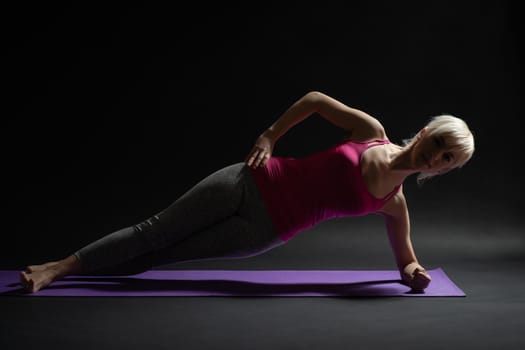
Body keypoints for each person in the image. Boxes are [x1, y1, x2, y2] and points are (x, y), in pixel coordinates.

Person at [20, 91, 475, 293]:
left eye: (447, 161)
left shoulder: (394, 205)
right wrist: (269, 135)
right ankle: (57, 270)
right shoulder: (370, 132)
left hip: (264, 231)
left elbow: (405, 261)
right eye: (439, 145)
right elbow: (315, 100)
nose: (435, 158)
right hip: (252, 179)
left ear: (444, 171)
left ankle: (80, 273)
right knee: (153, 231)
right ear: (425, 132)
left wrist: (415, 274)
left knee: (162, 256)